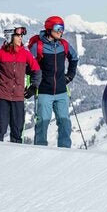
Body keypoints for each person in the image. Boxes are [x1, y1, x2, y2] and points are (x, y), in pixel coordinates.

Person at [0, 26, 42, 143]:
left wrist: (33, 87)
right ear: (10, 37)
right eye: (18, 36)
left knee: (17, 131)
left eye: (21, 36)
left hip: (19, 98)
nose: (21, 38)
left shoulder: (25, 54)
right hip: (2, 97)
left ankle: (15, 159)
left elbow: (37, 71)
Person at [28, 15, 79, 148]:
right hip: (44, 91)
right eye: (58, 28)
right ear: (49, 28)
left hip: (62, 92)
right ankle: (40, 150)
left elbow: (74, 58)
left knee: (65, 123)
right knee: (42, 123)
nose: (60, 31)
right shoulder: (38, 47)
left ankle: (64, 151)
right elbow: (28, 65)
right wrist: (35, 80)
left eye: (62, 28)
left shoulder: (64, 45)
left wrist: (70, 76)